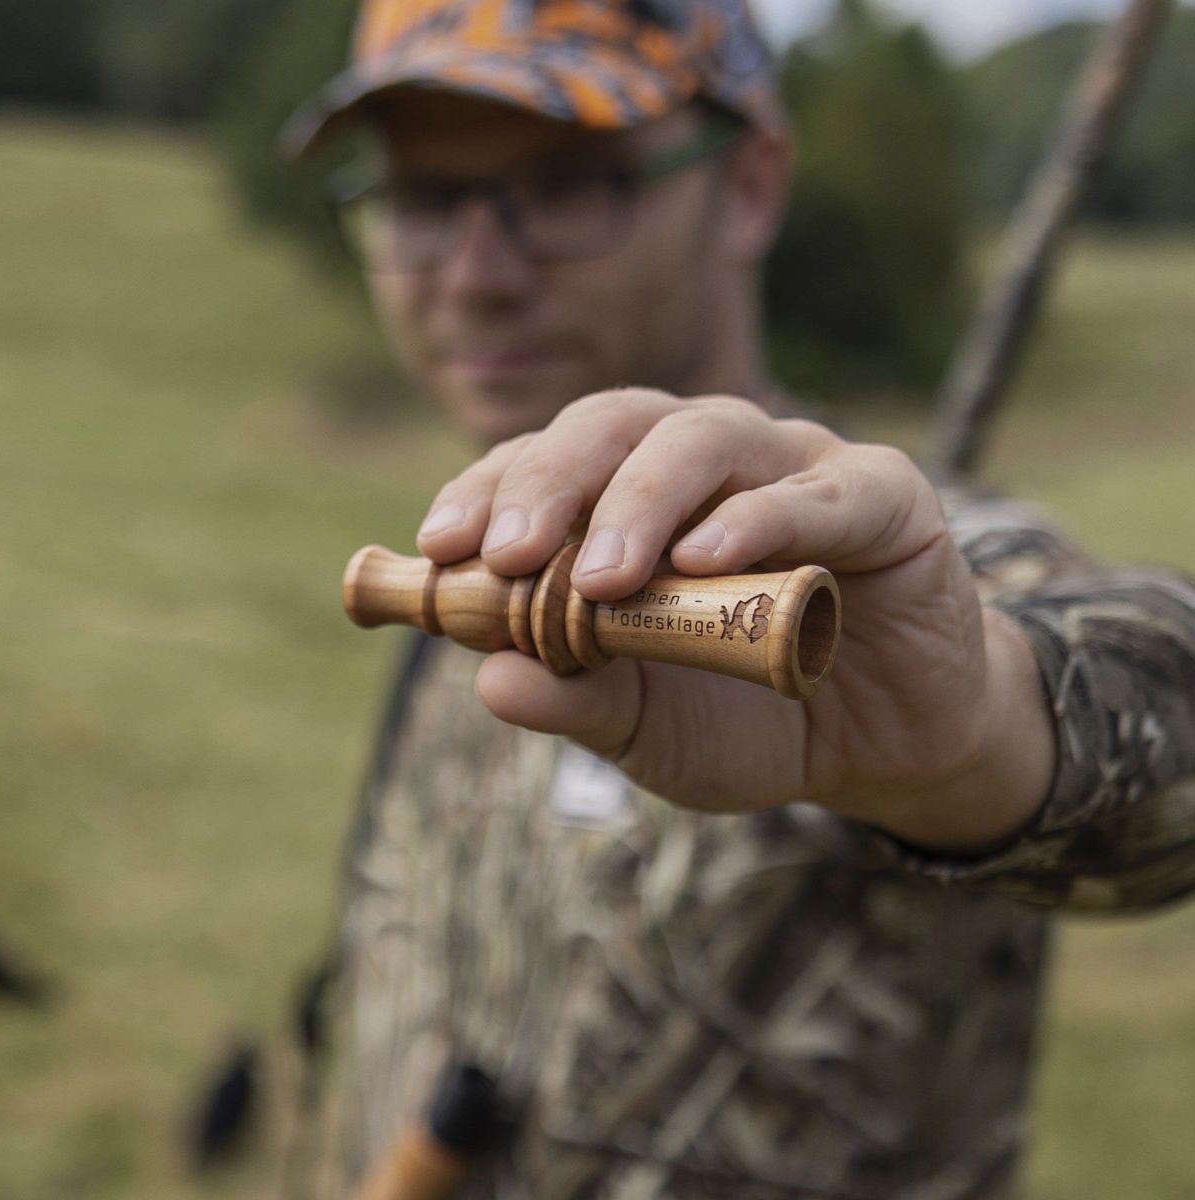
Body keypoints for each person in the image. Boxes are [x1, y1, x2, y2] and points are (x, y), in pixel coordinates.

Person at [281, 2, 1195, 1196]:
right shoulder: (469, 573)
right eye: (419, 198)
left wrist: (977, 731)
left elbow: (1162, 691)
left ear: (751, 184)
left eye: (566, 184)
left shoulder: (895, 585)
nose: (474, 275)